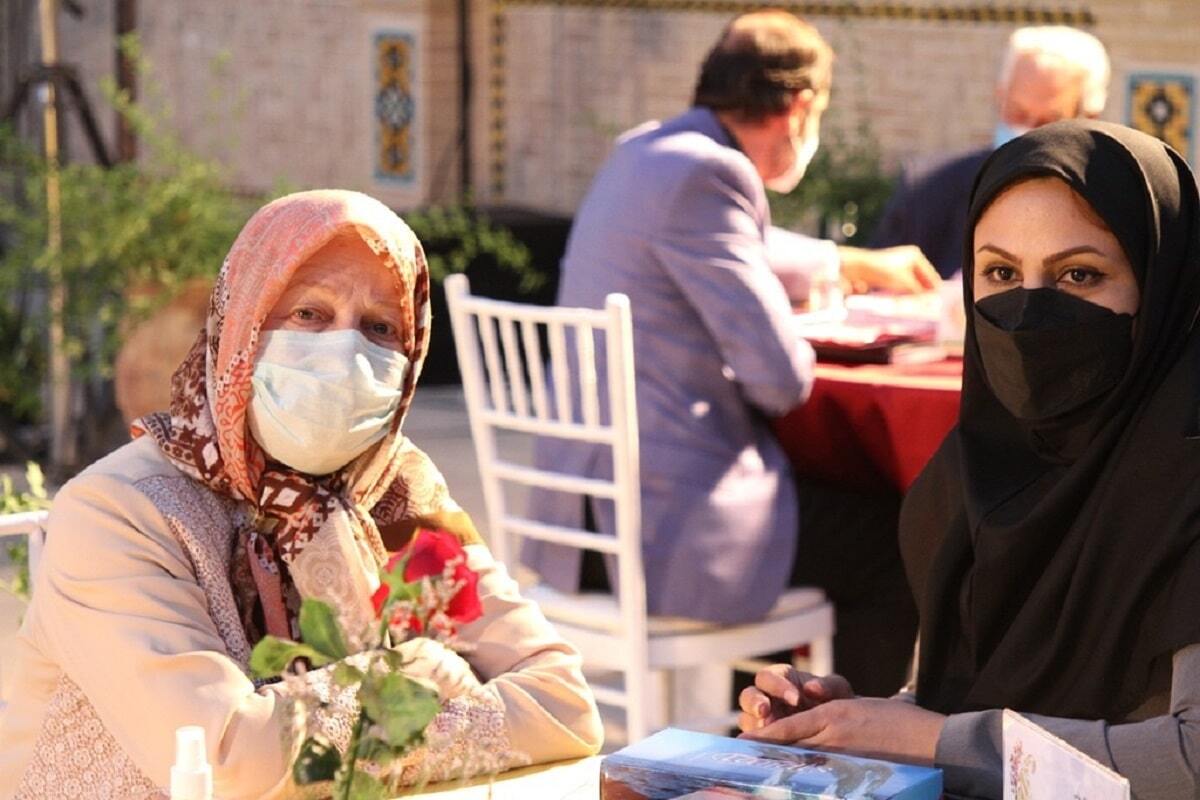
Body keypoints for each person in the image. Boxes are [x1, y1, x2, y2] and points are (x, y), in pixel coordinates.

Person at [0, 190, 603, 799]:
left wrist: (351, 738)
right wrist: (414, 680)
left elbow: (563, 705)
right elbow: (225, 762)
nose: (345, 354)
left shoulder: (393, 492)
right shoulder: (119, 512)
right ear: (240, 330)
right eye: (309, 314)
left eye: (380, 328)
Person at [737, 120, 1200, 799]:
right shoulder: (970, 476)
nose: (1030, 311)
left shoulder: (1185, 484)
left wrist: (928, 741)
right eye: (1001, 273)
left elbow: (1189, 761)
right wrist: (852, 721)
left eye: (1080, 274)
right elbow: (959, 707)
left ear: (1162, 289)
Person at [523, 9, 937, 631]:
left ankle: (760, 693)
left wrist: (849, 263)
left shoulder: (643, 151)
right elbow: (780, 381)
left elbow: (744, 247)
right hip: (665, 529)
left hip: (576, 521)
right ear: (799, 107)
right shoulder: (712, 173)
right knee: (897, 542)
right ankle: (821, 702)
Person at [872, 25, 1110, 279]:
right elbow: (876, 286)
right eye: (1018, 113)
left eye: (1047, 122)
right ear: (1000, 96)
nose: (1026, 133)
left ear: (1088, 118)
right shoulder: (928, 192)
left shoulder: (1111, 207)